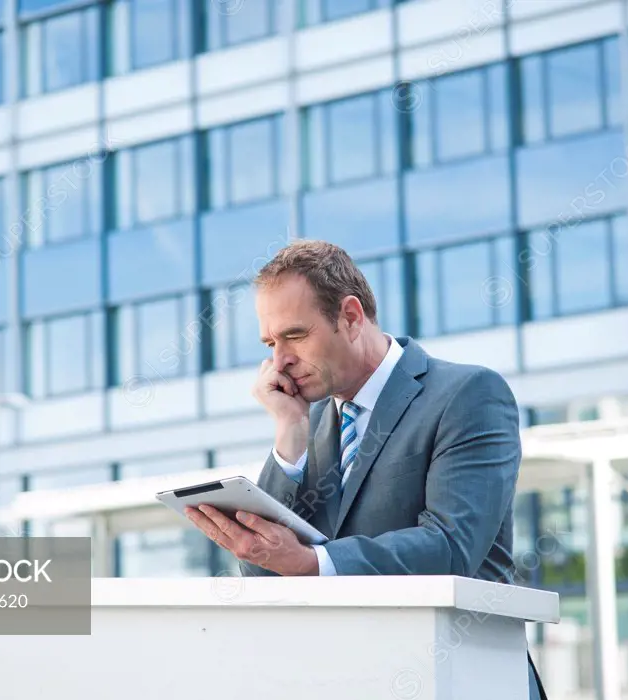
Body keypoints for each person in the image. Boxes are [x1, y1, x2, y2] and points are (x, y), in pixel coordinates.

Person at [184, 239, 545, 700]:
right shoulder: (306, 420)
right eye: (271, 343)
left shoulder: (468, 394)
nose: (280, 361)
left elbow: (452, 546)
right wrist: (288, 439)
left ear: (351, 317)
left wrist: (311, 562)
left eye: (294, 335)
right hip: (359, 679)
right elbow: (264, 574)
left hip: (466, 677)